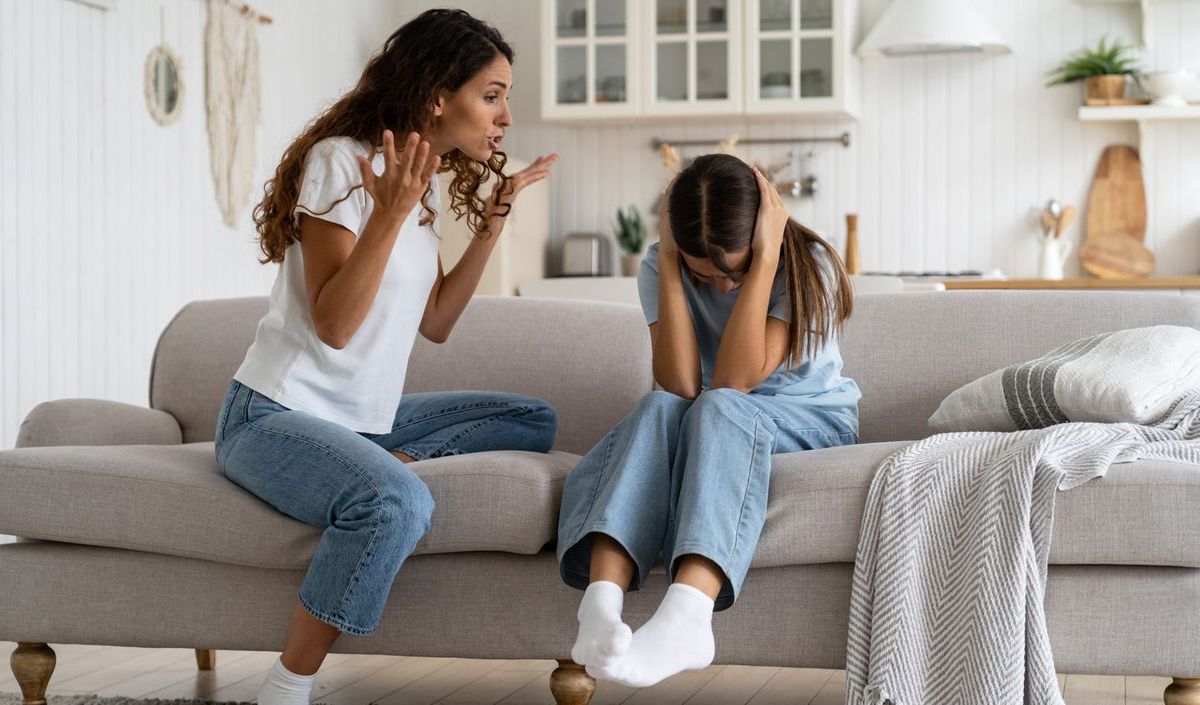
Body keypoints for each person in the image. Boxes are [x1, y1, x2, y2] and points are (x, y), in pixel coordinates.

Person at [212, 10, 559, 704]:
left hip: (360, 423)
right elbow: (335, 325)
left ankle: (385, 456)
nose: (505, 116)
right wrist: (389, 214)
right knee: (396, 500)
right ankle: (285, 687)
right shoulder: (341, 163)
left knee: (531, 418)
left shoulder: (419, 179)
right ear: (438, 95)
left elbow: (435, 322)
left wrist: (490, 227)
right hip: (272, 416)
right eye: (492, 94)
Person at [556, 153, 861, 688]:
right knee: (657, 406)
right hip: (714, 415)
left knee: (719, 406)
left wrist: (764, 262)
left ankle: (688, 614)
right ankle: (600, 603)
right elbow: (678, 384)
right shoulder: (661, 263)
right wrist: (671, 264)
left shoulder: (805, 262)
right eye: (705, 274)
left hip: (810, 422)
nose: (722, 287)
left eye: (734, 272)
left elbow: (734, 382)